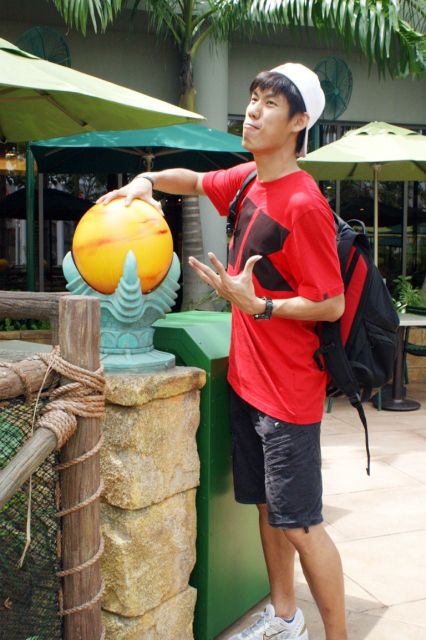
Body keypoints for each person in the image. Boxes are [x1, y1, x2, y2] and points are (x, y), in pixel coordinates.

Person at [98, 62, 347, 640]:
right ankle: (285, 616)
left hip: (289, 395)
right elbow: (193, 180)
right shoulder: (247, 180)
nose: (253, 111)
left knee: (301, 523)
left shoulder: (304, 203)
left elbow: (331, 302)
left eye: (270, 104)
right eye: (253, 99)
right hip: (248, 382)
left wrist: (259, 305)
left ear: (299, 122)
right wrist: (147, 181)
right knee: (266, 508)